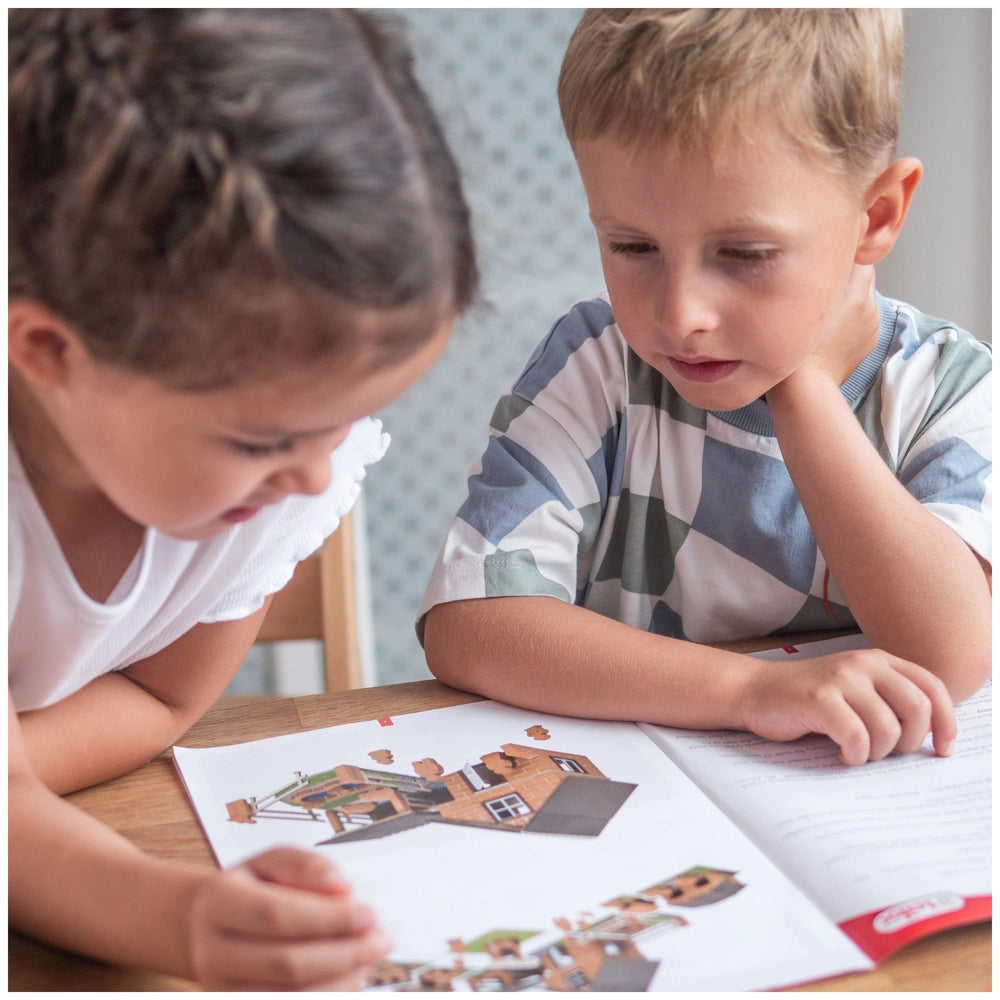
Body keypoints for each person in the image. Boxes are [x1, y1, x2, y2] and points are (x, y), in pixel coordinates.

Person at [9, 9, 477, 990]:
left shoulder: (276, 487)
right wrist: (174, 916)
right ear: (49, 351)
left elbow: (163, 694)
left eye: (345, 422)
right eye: (263, 439)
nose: (312, 479)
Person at [420, 9, 991, 769]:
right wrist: (749, 692)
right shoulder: (599, 365)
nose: (679, 315)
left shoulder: (949, 388)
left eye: (746, 254)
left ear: (875, 218)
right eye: (632, 246)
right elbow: (472, 622)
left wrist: (804, 392)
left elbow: (950, 657)